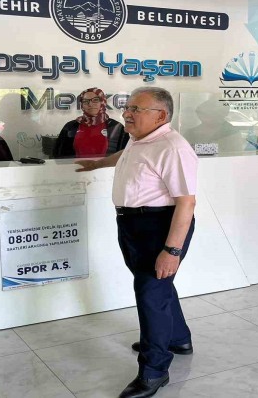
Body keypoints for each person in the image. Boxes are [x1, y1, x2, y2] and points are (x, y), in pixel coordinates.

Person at [75, 87, 197, 398]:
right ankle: (178, 338)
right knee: (156, 287)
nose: (127, 114)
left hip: (159, 226)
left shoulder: (173, 147)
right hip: (132, 224)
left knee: (150, 294)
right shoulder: (139, 139)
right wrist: (97, 164)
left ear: (161, 115)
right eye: (127, 107)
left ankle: (154, 370)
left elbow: (186, 203)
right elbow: (126, 156)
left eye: (136, 109)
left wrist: (171, 251)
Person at [53, 87, 129, 158]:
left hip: (107, 168)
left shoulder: (116, 127)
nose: (90, 104)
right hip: (75, 167)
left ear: (103, 102)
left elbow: (125, 155)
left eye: (95, 100)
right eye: (85, 101)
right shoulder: (70, 126)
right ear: (82, 105)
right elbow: (59, 154)